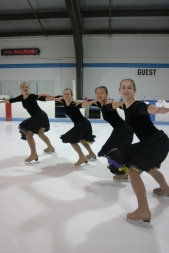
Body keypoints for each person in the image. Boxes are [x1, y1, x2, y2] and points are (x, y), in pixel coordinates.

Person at [107, 78, 169, 226]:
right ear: (119, 90)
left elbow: (144, 108)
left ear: (134, 90)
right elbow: (118, 106)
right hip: (155, 142)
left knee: (133, 171)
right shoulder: (126, 106)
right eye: (123, 87)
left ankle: (143, 209)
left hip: (155, 142)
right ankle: (166, 189)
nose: (126, 90)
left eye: (129, 87)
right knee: (150, 168)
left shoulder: (136, 105)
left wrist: (155, 109)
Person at [81, 86, 133, 179]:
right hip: (121, 129)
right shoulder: (100, 103)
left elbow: (120, 104)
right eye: (97, 93)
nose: (99, 95)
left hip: (123, 130)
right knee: (116, 151)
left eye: (102, 93)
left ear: (107, 94)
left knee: (112, 150)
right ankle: (124, 171)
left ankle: (123, 173)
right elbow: (86, 103)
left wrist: (124, 102)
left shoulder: (109, 105)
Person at [0, 82, 55, 162]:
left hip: (40, 115)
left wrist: (44, 94)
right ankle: (50, 147)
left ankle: (33, 154)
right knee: (41, 134)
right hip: (38, 117)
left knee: (29, 135)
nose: (25, 88)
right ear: (20, 88)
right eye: (23, 87)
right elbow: (10, 100)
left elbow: (48, 98)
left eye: (26, 87)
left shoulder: (32, 96)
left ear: (28, 88)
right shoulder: (21, 97)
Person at [48, 88, 96, 166]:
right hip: (79, 124)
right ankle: (91, 154)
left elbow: (83, 104)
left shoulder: (74, 103)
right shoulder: (63, 101)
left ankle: (82, 157)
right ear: (63, 95)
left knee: (71, 140)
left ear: (71, 95)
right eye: (65, 94)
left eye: (68, 94)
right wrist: (39, 95)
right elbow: (51, 97)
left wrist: (93, 101)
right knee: (82, 140)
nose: (66, 95)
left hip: (83, 123)